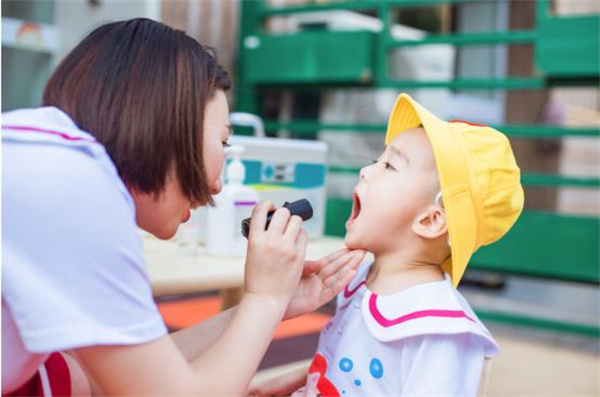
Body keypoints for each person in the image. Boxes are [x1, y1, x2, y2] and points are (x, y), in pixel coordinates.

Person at [2, 18, 366, 396]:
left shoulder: (46, 165)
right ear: (172, 121)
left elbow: (103, 381)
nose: (216, 185)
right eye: (223, 143)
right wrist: (265, 299)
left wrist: (269, 305)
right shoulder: (76, 190)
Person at [250, 93, 524, 396]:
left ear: (430, 220)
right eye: (375, 161)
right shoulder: (360, 274)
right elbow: (345, 361)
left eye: (390, 166)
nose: (366, 171)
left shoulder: (439, 331)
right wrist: (289, 382)